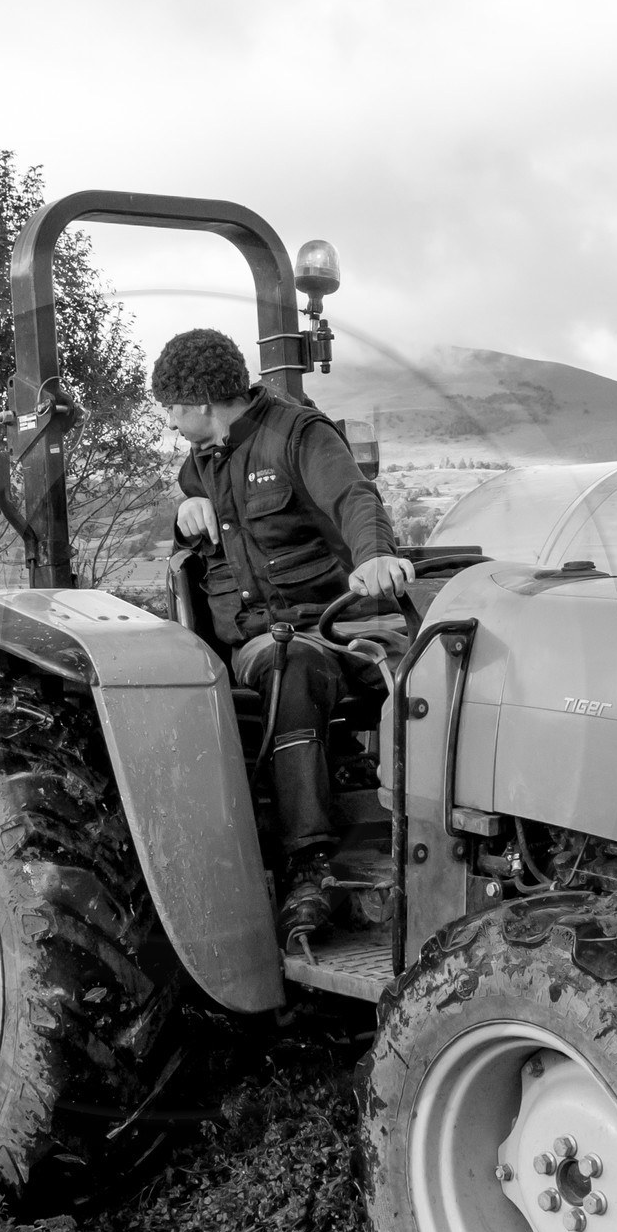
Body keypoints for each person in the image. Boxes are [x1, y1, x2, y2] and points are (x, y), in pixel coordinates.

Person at [155, 328, 415, 950]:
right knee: (281, 658)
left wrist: (375, 556)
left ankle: (401, 834)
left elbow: (354, 496)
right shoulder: (202, 465)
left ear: (199, 401)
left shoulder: (297, 436)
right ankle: (308, 865)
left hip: (327, 630)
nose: (168, 420)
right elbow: (199, 526)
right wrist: (186, 509)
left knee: (363, 660)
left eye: (171, 407)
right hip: (253, 645)